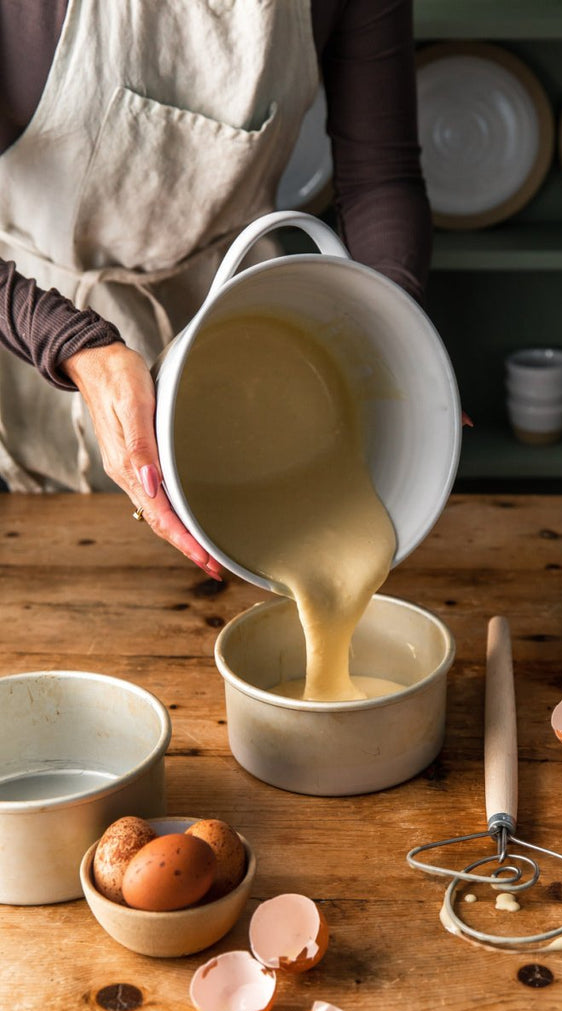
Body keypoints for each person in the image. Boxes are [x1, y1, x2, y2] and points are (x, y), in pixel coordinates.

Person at [0, 1, 432, 579]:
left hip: (244, 325)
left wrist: (396, 334)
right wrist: (75, 346)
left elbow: (382, 178)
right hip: (34, 328)